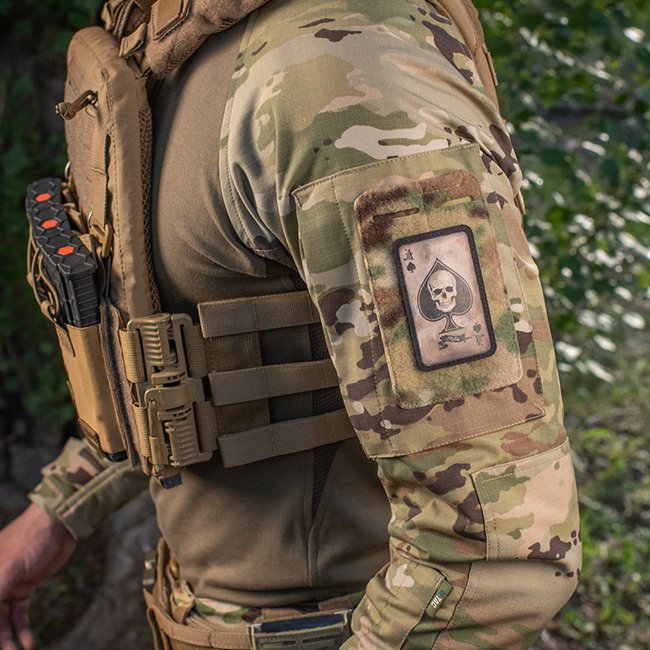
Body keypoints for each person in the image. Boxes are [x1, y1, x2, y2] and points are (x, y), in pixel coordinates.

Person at [0, 1, 582, 648]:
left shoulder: (338, 69)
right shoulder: (172, 35)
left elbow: (495, 549)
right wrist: (62, 506)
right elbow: (185, 347)